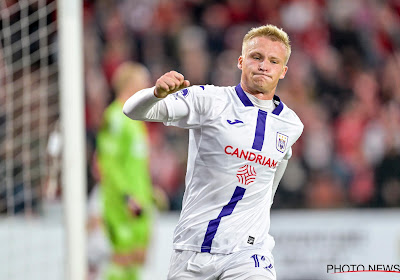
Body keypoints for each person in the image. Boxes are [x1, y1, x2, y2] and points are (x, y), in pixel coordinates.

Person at [123, 24, 304, 280]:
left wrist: (264, 206)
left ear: (283, 71)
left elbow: (280, 163)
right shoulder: (209, 100)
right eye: (256, 57)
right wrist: (156, 94)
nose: (264, 65)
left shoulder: (291, 124)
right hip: (192, 249)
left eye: (273, 61)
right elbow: (132, 110)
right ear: (241, 61)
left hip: (248, 253)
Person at [96, 62, 155, 280]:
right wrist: (126, 196)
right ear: (131, 84)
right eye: (144, 82)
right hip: (122, 202)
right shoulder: (114, 117)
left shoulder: (135, 120)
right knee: (122, 258)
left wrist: (149, 193)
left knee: (138, 257)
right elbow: (108, 164)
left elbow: (135, 165)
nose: (148, 87)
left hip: (140, 199)